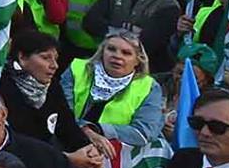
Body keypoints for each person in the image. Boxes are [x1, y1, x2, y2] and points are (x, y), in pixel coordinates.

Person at [63, 27, 163, 156]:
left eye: (126, 53)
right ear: (102, 51)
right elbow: (61, 113)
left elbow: (144, 133)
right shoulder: (77, 69)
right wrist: (85, 130)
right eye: (111, 49)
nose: (117, 56)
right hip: (67, 141)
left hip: (115, 156)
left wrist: (98, 130)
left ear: (138, 60)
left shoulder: (149, 87)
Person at [0, 32, 92, 155]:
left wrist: (88, 150)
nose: (54, 66)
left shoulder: (52, 86)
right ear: (22, 58)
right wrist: (66, 159)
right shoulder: (2, 85)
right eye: (46, 58)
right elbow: (21, 139)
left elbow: (67, 125)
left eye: (56, 59)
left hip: (51, 155)